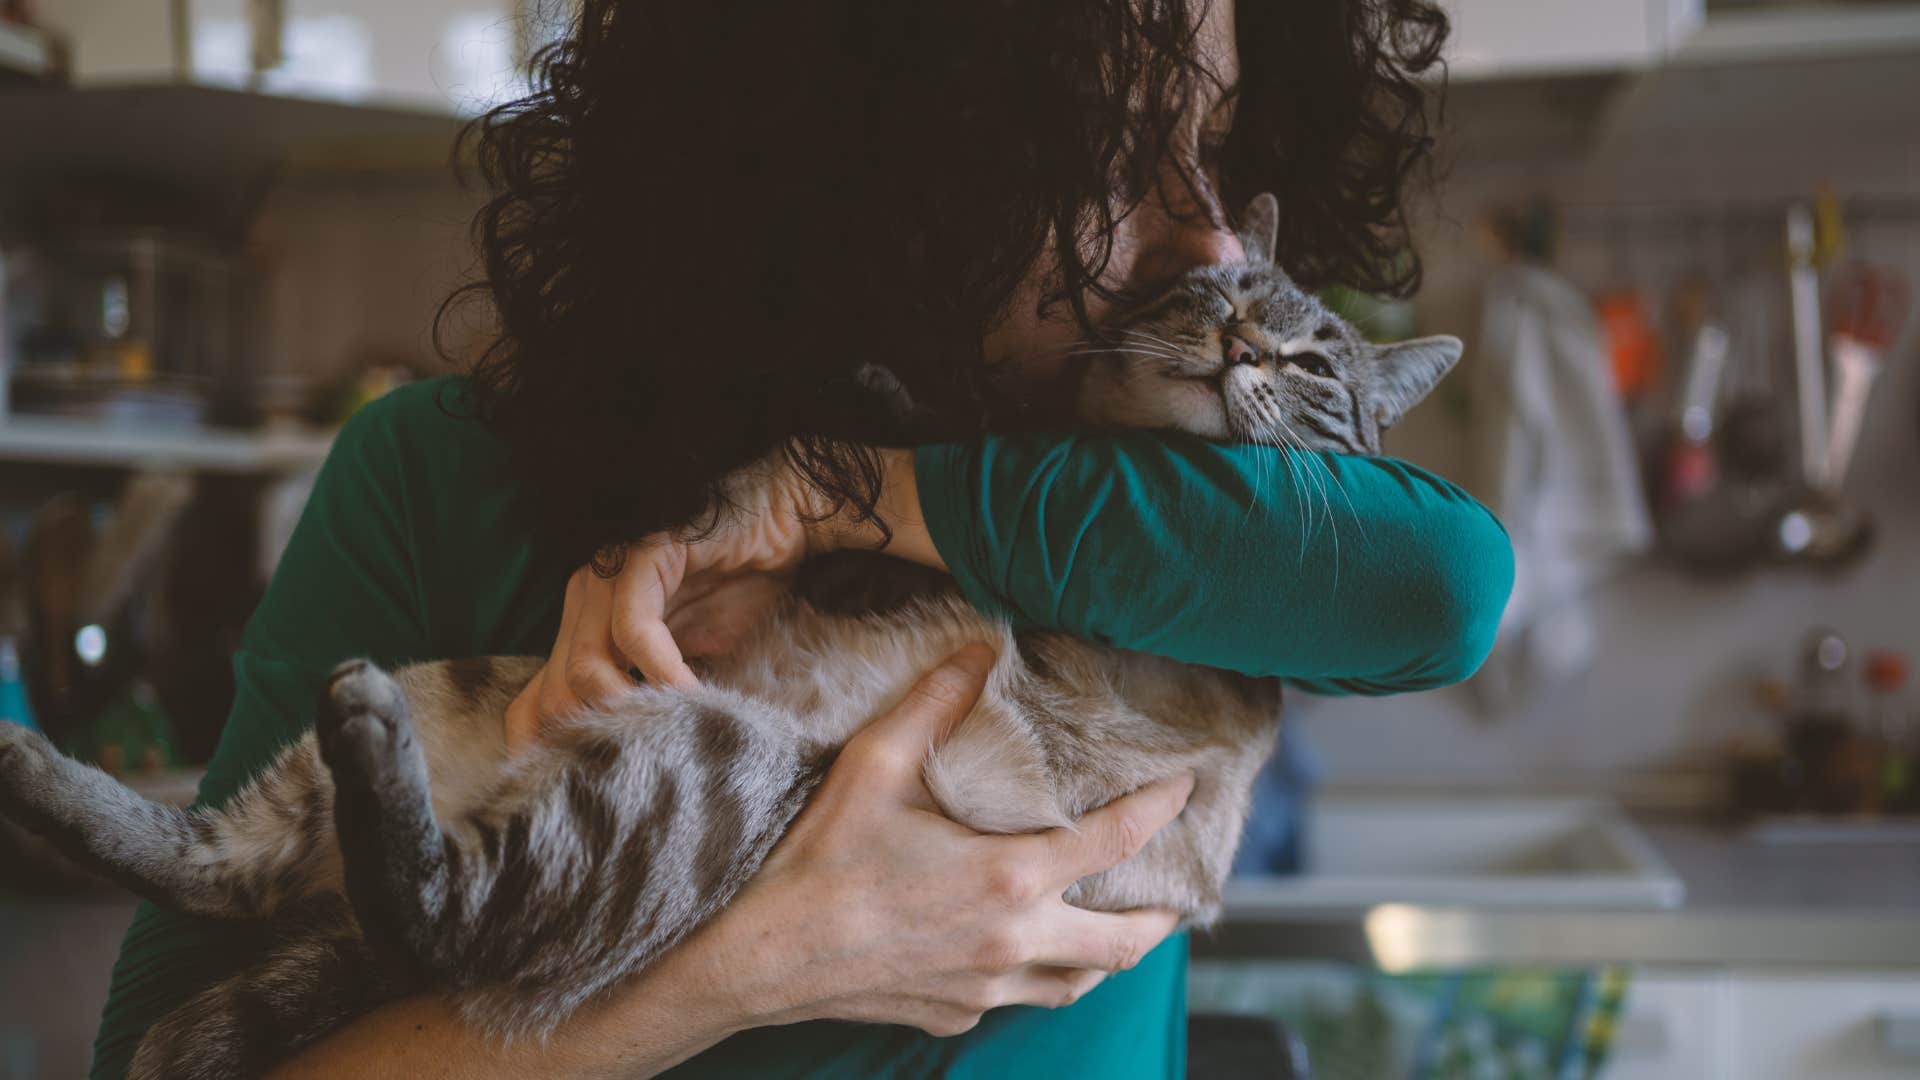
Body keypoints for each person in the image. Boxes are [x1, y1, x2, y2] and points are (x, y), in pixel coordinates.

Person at [92, 1, 1507, 1077]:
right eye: (1110, 159)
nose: (1206, 243)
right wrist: (757, 961)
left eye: (1209, 142)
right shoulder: (434, 481)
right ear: (873, 168)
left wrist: (841, 491)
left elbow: (1443, 585)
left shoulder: (1147, 488)